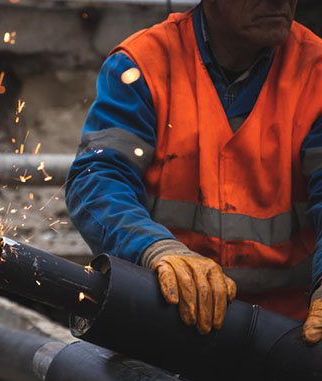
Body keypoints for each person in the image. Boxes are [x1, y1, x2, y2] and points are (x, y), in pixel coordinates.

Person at [65, 0, 322, 342]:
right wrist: (155, 248)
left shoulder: (315, 73)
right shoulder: (145, 64)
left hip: (293, 334)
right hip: (167, 318)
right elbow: (98, 178)